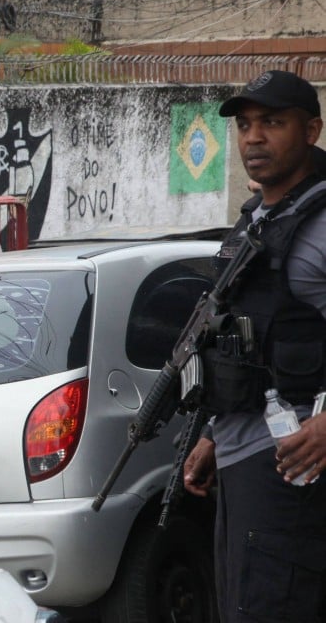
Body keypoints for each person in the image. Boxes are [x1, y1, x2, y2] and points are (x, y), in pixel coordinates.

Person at [183, 70, 326, 622]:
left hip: (291, 472)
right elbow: (247, 343)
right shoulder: (257, 221)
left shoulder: (317, 225)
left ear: (310, 130)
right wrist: (216, 436)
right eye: (244, 126)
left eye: (272, 122)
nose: (253, 138)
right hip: (245, 461)